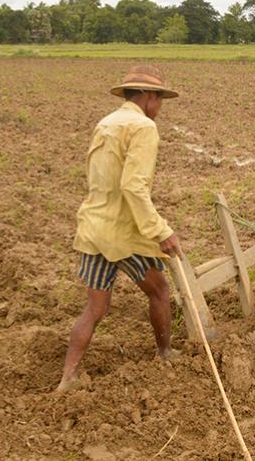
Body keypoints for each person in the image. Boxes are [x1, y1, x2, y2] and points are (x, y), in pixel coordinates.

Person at [57, 64, 182, 393]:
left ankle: (68, 376)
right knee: (160, 291)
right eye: (160, 101)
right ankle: (165, 352)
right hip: (125, 233)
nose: (159, 109)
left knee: (95, 310)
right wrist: (161, 231)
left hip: (93, 227)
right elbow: (133, 187)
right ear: (150, 97)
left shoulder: (106, 122)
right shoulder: (143, 128)